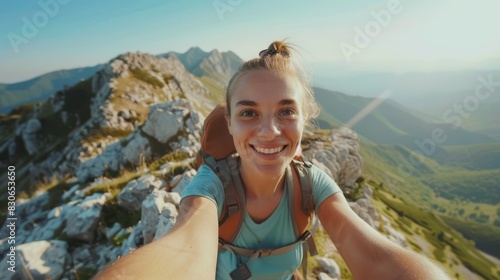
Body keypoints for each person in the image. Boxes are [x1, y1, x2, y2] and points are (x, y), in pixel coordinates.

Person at [95, 40, 449, 280]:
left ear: (303, 121)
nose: (269, 131)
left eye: (286, 112)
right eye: (249, 113)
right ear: (230, 124)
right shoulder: (210, 186)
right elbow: (185, 250)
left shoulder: (311, 183)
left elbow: (376, 256)